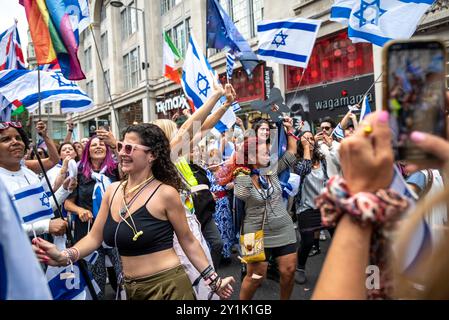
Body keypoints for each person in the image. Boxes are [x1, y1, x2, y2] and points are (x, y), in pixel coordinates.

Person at [33, 123, 235, 300]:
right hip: (128, 288)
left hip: (168, 288)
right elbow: (94, 237)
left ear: (152, 155)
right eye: (120, 146)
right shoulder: (112, 191)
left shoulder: (166, 193)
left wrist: (214, 280)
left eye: (130, 148)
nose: (121, 152)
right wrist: (64, 256)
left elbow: (188, 241)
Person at [312, 110, 449, 299]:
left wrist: (363, 195)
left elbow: (397, 207)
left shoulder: (420, 175)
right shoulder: (432, 172)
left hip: (412, 261)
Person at [228, 117, 298, 300]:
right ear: (251, 157)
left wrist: (289, 130)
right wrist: (244, 169)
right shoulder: (242, 178)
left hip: (283, 227)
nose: (269, 155)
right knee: (256, 277)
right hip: (254, 232)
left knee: (289, 271)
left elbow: (290, 153)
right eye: (265, 153)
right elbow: (241, 195)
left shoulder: (271, 170)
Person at [0, 121, 75, 238]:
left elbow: (44, 207)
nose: (15, 142)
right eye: (6, 139)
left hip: (40, 250)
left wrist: (65, 189)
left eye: (18, 138)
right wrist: (46, 226)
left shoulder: (29, 174)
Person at [294, 131, 330, 285]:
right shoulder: (297, 162)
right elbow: (304, 170)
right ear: (300, 143)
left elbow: (325, 179)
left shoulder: (321, 160)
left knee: (338, 235)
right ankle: (300, 267)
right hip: (306, 207)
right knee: (307, 242)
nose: (309, 140)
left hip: (324, 205)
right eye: (305, 138)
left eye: (311, 138)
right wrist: (307, 149)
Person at [207, 148, 234, 264]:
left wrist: (232, 184)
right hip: (209, 204)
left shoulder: (225, 171)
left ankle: (225, 254)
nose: (213, 163)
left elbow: (235, 181)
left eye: (215, 160)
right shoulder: (204, 172)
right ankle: (212, 255)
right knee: (213, 229)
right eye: (211, 160)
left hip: (222, 203)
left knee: (225, 227)